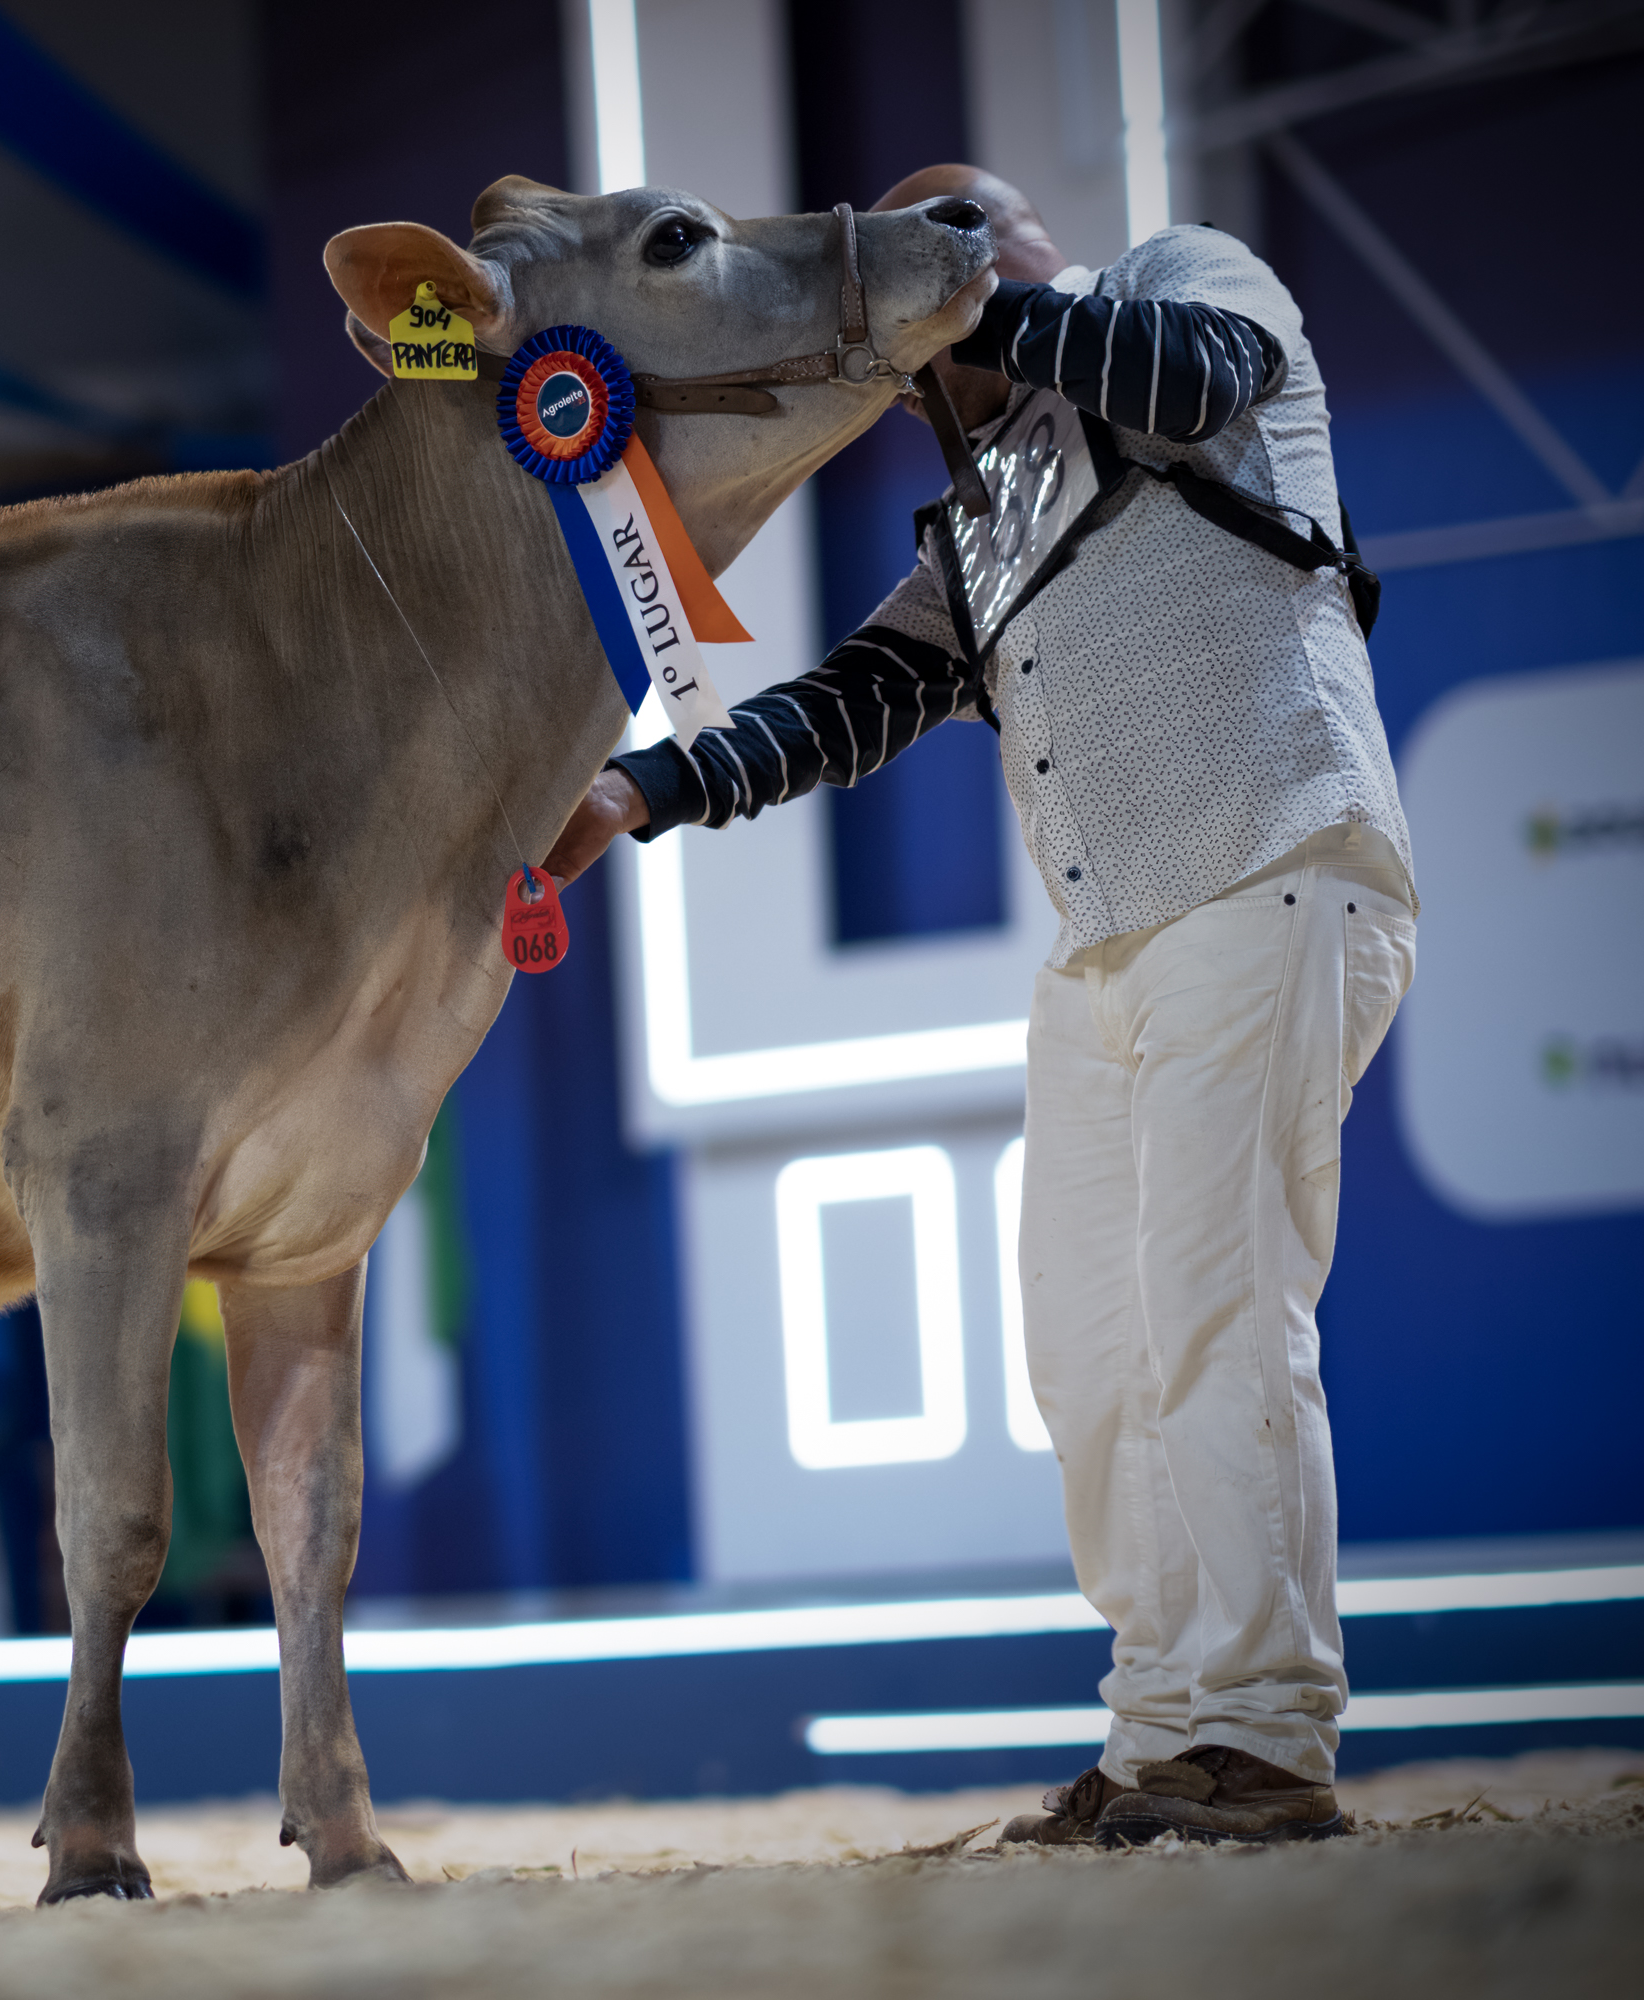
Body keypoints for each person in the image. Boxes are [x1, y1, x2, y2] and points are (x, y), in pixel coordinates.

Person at [544, 168, 1414, 1847]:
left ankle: (1262, 1733)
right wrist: (642, 791)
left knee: (1217, 1311)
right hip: (1106, 945)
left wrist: (961, 297)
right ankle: (1163, 1733)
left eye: (965, 233)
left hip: (1270, 865)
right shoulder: (986, 506)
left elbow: (1189, 383)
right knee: (1089, 1355)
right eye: (922, 261)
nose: (947, 272)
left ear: (1027, 249)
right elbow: (860, 695)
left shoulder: (1194, 285)